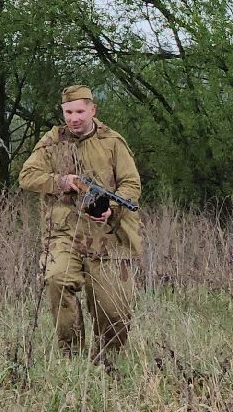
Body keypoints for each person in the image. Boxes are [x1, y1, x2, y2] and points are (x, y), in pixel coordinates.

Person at [18, 84, 144, 360]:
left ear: (92, 110)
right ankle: (71, 356)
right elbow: (27, 177)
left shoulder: (112, 142)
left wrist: (110, 208)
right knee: (57, 280)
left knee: (114, 310)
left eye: (79, 111)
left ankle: (108, 362)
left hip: (109, 236)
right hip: (64, 234)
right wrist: (60, 182)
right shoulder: (52, 142)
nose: (74, 118)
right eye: (68, 112)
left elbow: (131, 184)